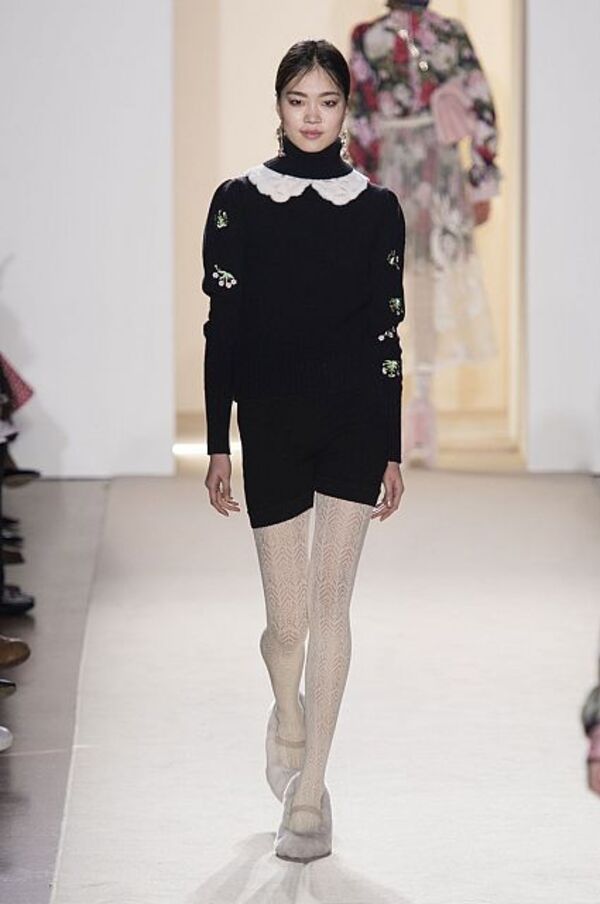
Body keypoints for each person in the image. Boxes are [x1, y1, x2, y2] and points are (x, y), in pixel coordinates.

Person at [201, 39, 406, 862]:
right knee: (286, 624)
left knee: (331, 609)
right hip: (273, 423)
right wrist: (217, 442)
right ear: (279, 106)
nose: (312, 116)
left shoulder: (378, 208)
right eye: (298, 100)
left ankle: (311, 793)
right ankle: (286, 710)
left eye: (327, 100)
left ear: (347, 109)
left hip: (353, 421)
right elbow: (222, 331)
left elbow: (386, 334)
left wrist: (391, 446)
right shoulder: (238, 203)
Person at [346, 0, 501, 465]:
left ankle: (418, 406)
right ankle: (405, 406)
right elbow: (359, 116)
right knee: (398, 284)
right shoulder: (380, 36)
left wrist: (480, 182)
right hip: (409, 170)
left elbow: (479, 104)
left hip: (426, 169)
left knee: (417, 283)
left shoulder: (430, 34)